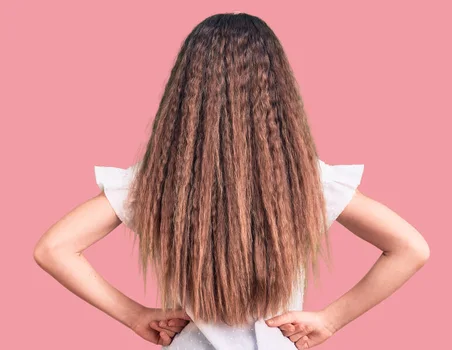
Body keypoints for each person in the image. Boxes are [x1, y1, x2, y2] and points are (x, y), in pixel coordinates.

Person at [33, 12, 430, 350]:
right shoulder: (306, 182)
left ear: (183, 92)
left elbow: (54, 248)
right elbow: (410, 247)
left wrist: (135, 316)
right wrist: (331, 320)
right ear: (278, 93)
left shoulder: (155, 184)